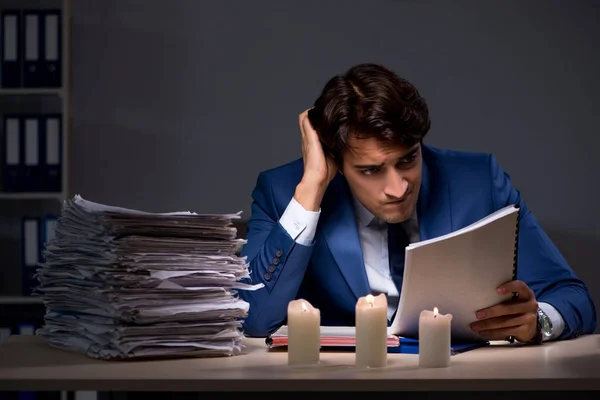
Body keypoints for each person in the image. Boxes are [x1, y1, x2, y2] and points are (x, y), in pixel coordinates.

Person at [238, 63, 596, 344]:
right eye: (371, 170)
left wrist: (539, 322)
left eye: (408, 160)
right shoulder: (286, 191)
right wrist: (312, 189)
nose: (397, 188)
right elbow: (253, 319)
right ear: (337, 163)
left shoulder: (478, 181)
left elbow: (574, 297)